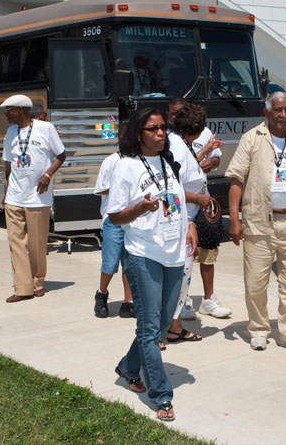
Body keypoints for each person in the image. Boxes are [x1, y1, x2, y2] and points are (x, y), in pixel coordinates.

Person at [107, 107, 197, 422]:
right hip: (143, 253)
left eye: (163, 128)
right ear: (138, 133)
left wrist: (190, 225)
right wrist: (139, 209)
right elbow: (115, 215)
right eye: (153, 129)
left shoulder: (169, 162)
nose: (160, 133)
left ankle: (129, 367)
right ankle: (161, 395)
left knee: (160, 325)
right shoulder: (126, 168)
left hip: (173, 253)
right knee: (149, 329)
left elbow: (177, 203)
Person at [226, 91, 286, 352]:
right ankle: (258, 329)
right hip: (258, 221)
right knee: (255, 282)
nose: (283, 115)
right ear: (267, 111)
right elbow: (236, 180)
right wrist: (234, 219)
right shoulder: (252, 139)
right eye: (278, 110)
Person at [1, 95, 66, 303]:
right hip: (14, 196)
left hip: (38, 197)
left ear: (21, 110)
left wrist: (47, 175)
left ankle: (38, 282)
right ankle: (23, 287)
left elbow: (61, 155)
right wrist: (6, 191)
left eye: (9, 110)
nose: (5, 114)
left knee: (37, 243)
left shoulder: (46, 129)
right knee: (16, 242)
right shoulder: (10, 132)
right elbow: (8, 164)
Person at [169, 103, 230, 322]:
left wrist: (207, 150)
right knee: (184, 261)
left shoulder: (184, 143)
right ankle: (179, 305)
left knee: (208, 252)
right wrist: (198, 199)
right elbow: (172, 185)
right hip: (186, 212)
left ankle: (206, 299)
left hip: (199, 209)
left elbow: (188, 164)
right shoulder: (176, 145)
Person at [93, 149, 135, 318]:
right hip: (114, 218)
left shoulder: (141, 160)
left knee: (130, 262)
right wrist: (122, 187)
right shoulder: (111, 160)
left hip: (134, 217)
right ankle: (101, 293)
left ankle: (128, 302)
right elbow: (100, 189)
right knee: (110, 262)